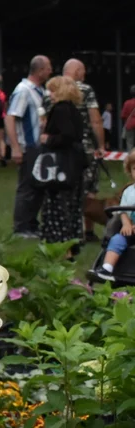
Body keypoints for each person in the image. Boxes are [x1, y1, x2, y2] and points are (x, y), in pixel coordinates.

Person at [52, 59, 105, 241]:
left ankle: (63, 228)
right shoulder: (85, 90)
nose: (84, 75)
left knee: (63, 189)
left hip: (57, 149)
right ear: (77, 71)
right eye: (82, 71)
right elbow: (95, 119)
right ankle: (87, 231)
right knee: (88, 189)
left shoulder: (51, 89)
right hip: (84, 148)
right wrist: (101, 145)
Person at [6, 55, 52, 238]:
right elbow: (11, 117)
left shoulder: (40, 91)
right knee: (27, 186)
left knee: (38, 186)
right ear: (39, 70)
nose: (50, 71)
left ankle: (32, 223)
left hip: (40, 146)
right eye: (48, 68)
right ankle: (21, 226)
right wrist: (16, 147)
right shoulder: (23, 90)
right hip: (29, 146)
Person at [39, 76, 87, 251]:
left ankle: (60, 246)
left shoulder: (60, 110)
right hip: (75, 166)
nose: (49, 94)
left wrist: (48, 138)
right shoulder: (74, 110)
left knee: (57, 206)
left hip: (60, 166)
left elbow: (67, 136)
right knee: (73, 206)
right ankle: (71, 243)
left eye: (52, 90)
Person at [94, 149, 135, 282]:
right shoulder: (129, 192)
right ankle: (107, 268)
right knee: (117, 240)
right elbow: (122, 211)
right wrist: (126, 223)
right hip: (130, 230)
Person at [123, 86, 135, 152]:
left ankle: (131, 161)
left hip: (129, 125)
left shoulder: (127, 103)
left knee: (130, 144)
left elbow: (123, 115)